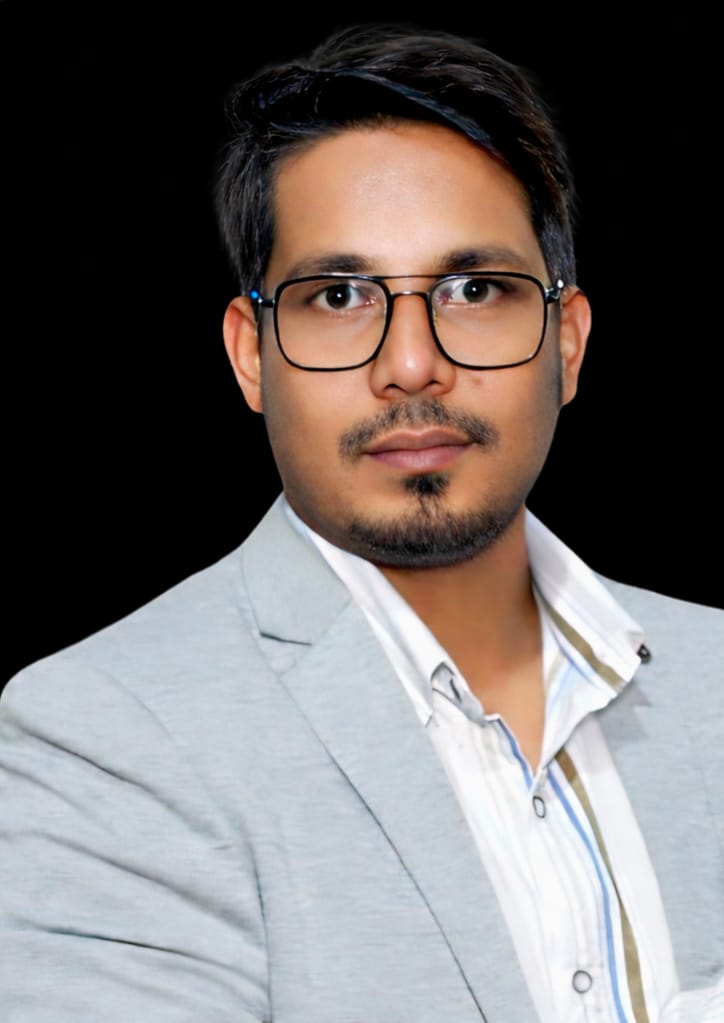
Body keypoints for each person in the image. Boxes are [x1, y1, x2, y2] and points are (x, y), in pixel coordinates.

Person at [0, 20, 722, 1023]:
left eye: (473, 289)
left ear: (566, 342)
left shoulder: (718, 677)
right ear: (252, 356)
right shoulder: (106, 736)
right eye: (339, 295)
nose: (411, 364)